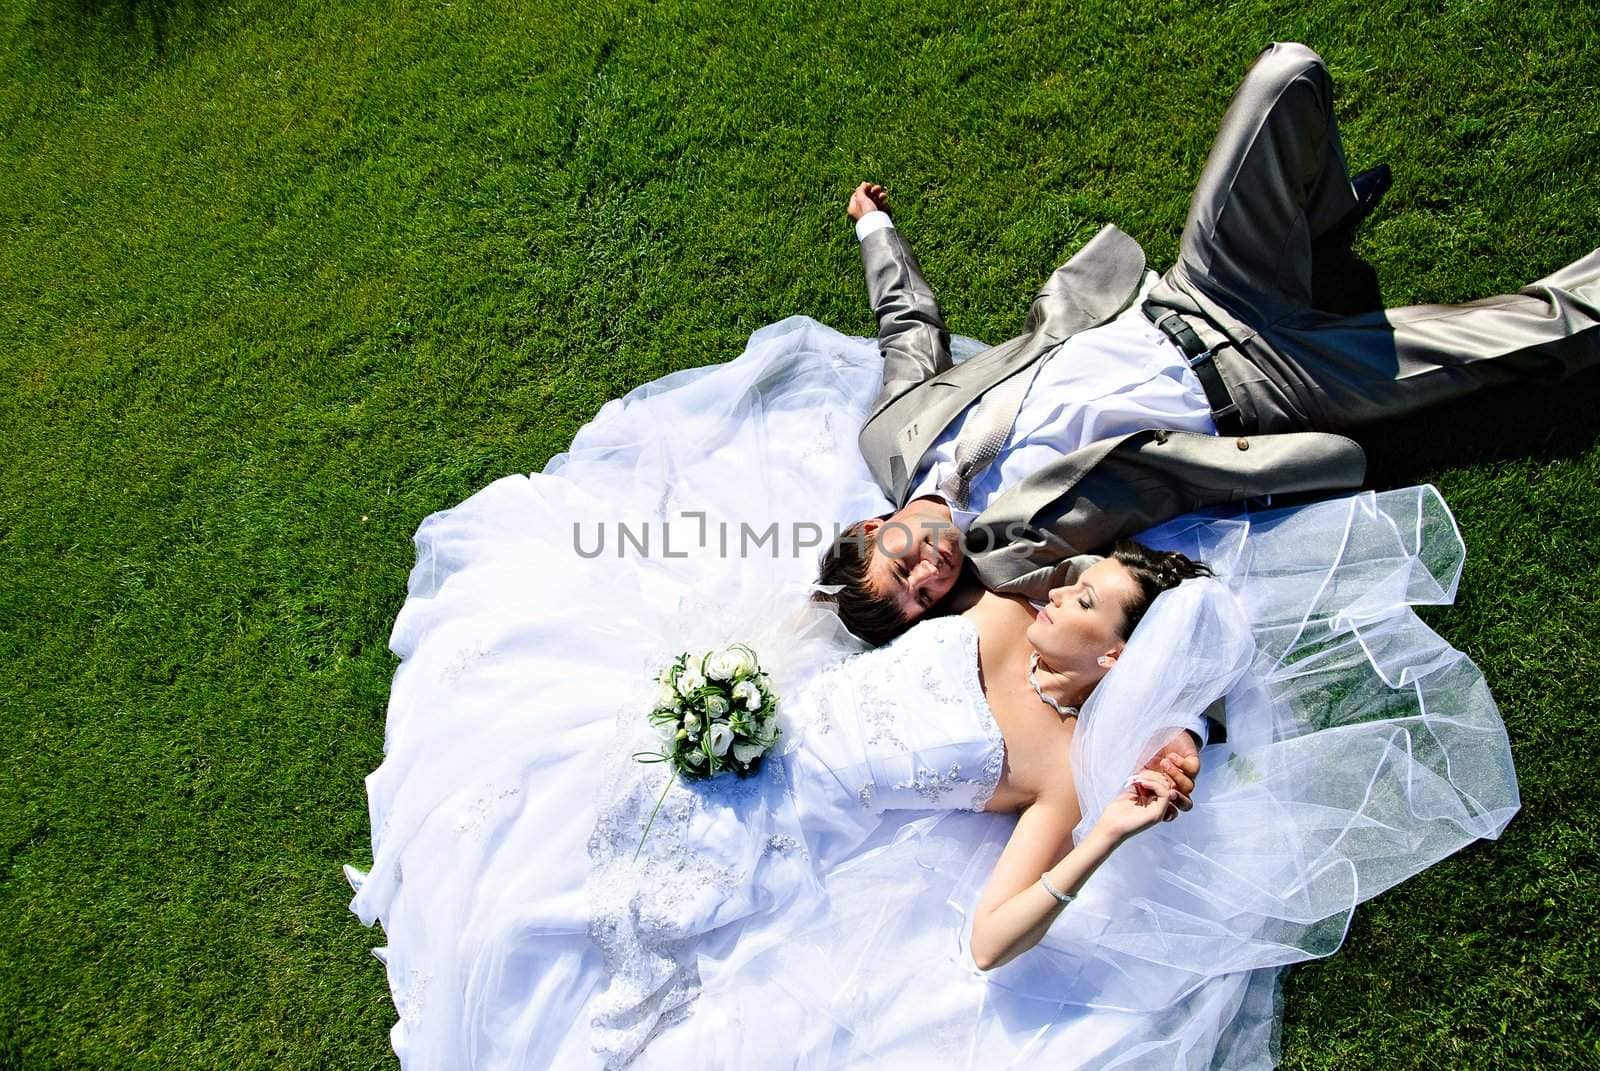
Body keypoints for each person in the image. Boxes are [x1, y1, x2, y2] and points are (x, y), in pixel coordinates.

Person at [342, 312, 1518, 1069]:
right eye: (1074, 581)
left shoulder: (1058, 777)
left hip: (789, 848)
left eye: (1086, 600)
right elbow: (935, 537)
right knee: (527, 861)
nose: (1056, 592)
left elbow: (992, 941)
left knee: (573, 968)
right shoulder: (997, 603)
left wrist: (1106, 829)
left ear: (1114, 660)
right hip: (746, 740)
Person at [816, 40, 1599, 652]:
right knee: (1525, 334)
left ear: (868, 530)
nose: (932, 575)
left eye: (902, 568)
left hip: (1194, 293)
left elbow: (908, 330)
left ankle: (1319, 228)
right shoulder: (1007, 565)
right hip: (1266, 388)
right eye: (923, 602)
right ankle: (1321, 252)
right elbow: (1113, 600)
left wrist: (873, 227)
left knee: (1288, 76)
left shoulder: (893, 435)